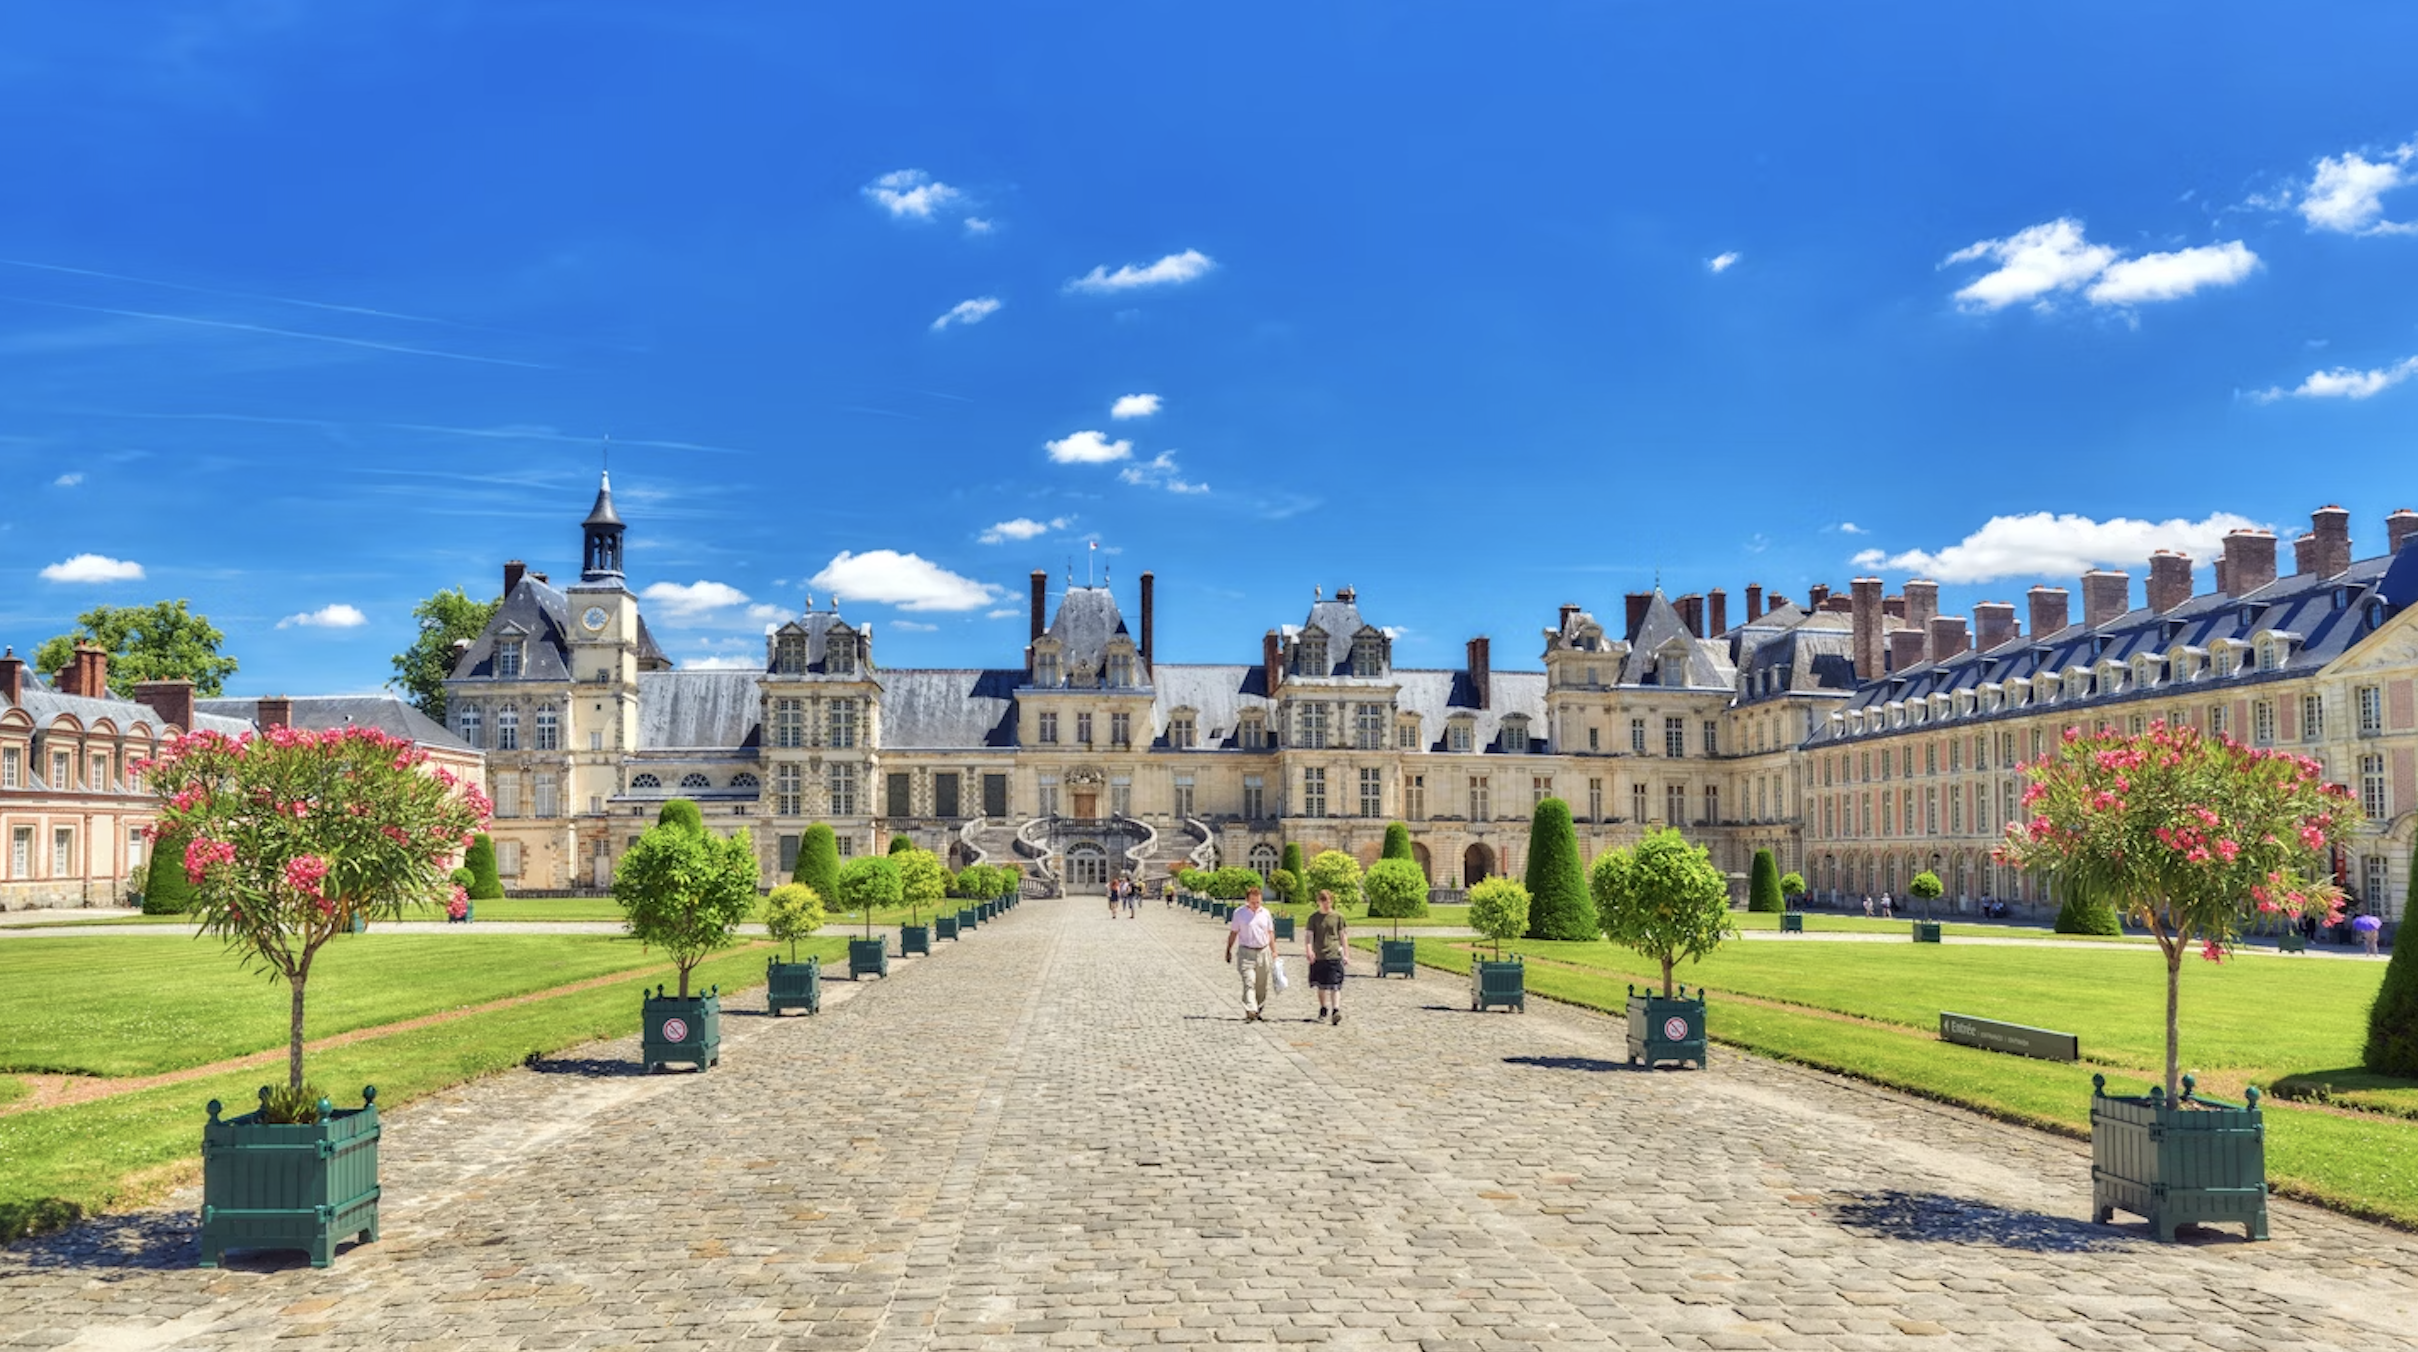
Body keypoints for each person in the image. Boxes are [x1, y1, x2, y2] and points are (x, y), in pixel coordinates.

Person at [1223, 885, 1278, 1021]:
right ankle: (1250, 1009)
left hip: (1263, 952)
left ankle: (1258, 1008)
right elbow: (1234, 932)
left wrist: (1274, 951)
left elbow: (1270, 933)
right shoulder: (1239, 913)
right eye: (1253, 902)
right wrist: (1228, 949)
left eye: (1258, 902)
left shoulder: (1265, 913)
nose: (1255, 905)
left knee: (1261, 985)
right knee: (1249, 981)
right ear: (1247, 900)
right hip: (1246, 952)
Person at [1305, 888, 1348, 1025]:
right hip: (1319, 955)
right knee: (1321, 986)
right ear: (1318, 902)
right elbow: (1308, 936)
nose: (1326, 904)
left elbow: (1343, 935)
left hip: (1334, 954)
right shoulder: (1313, 918)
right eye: (1323, 901)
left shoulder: (1338, 917)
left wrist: (1346, 953)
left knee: (1335, 985)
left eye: (1328, 901)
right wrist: (1309, 950)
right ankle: (1323, 1007)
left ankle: (1336, 1010)